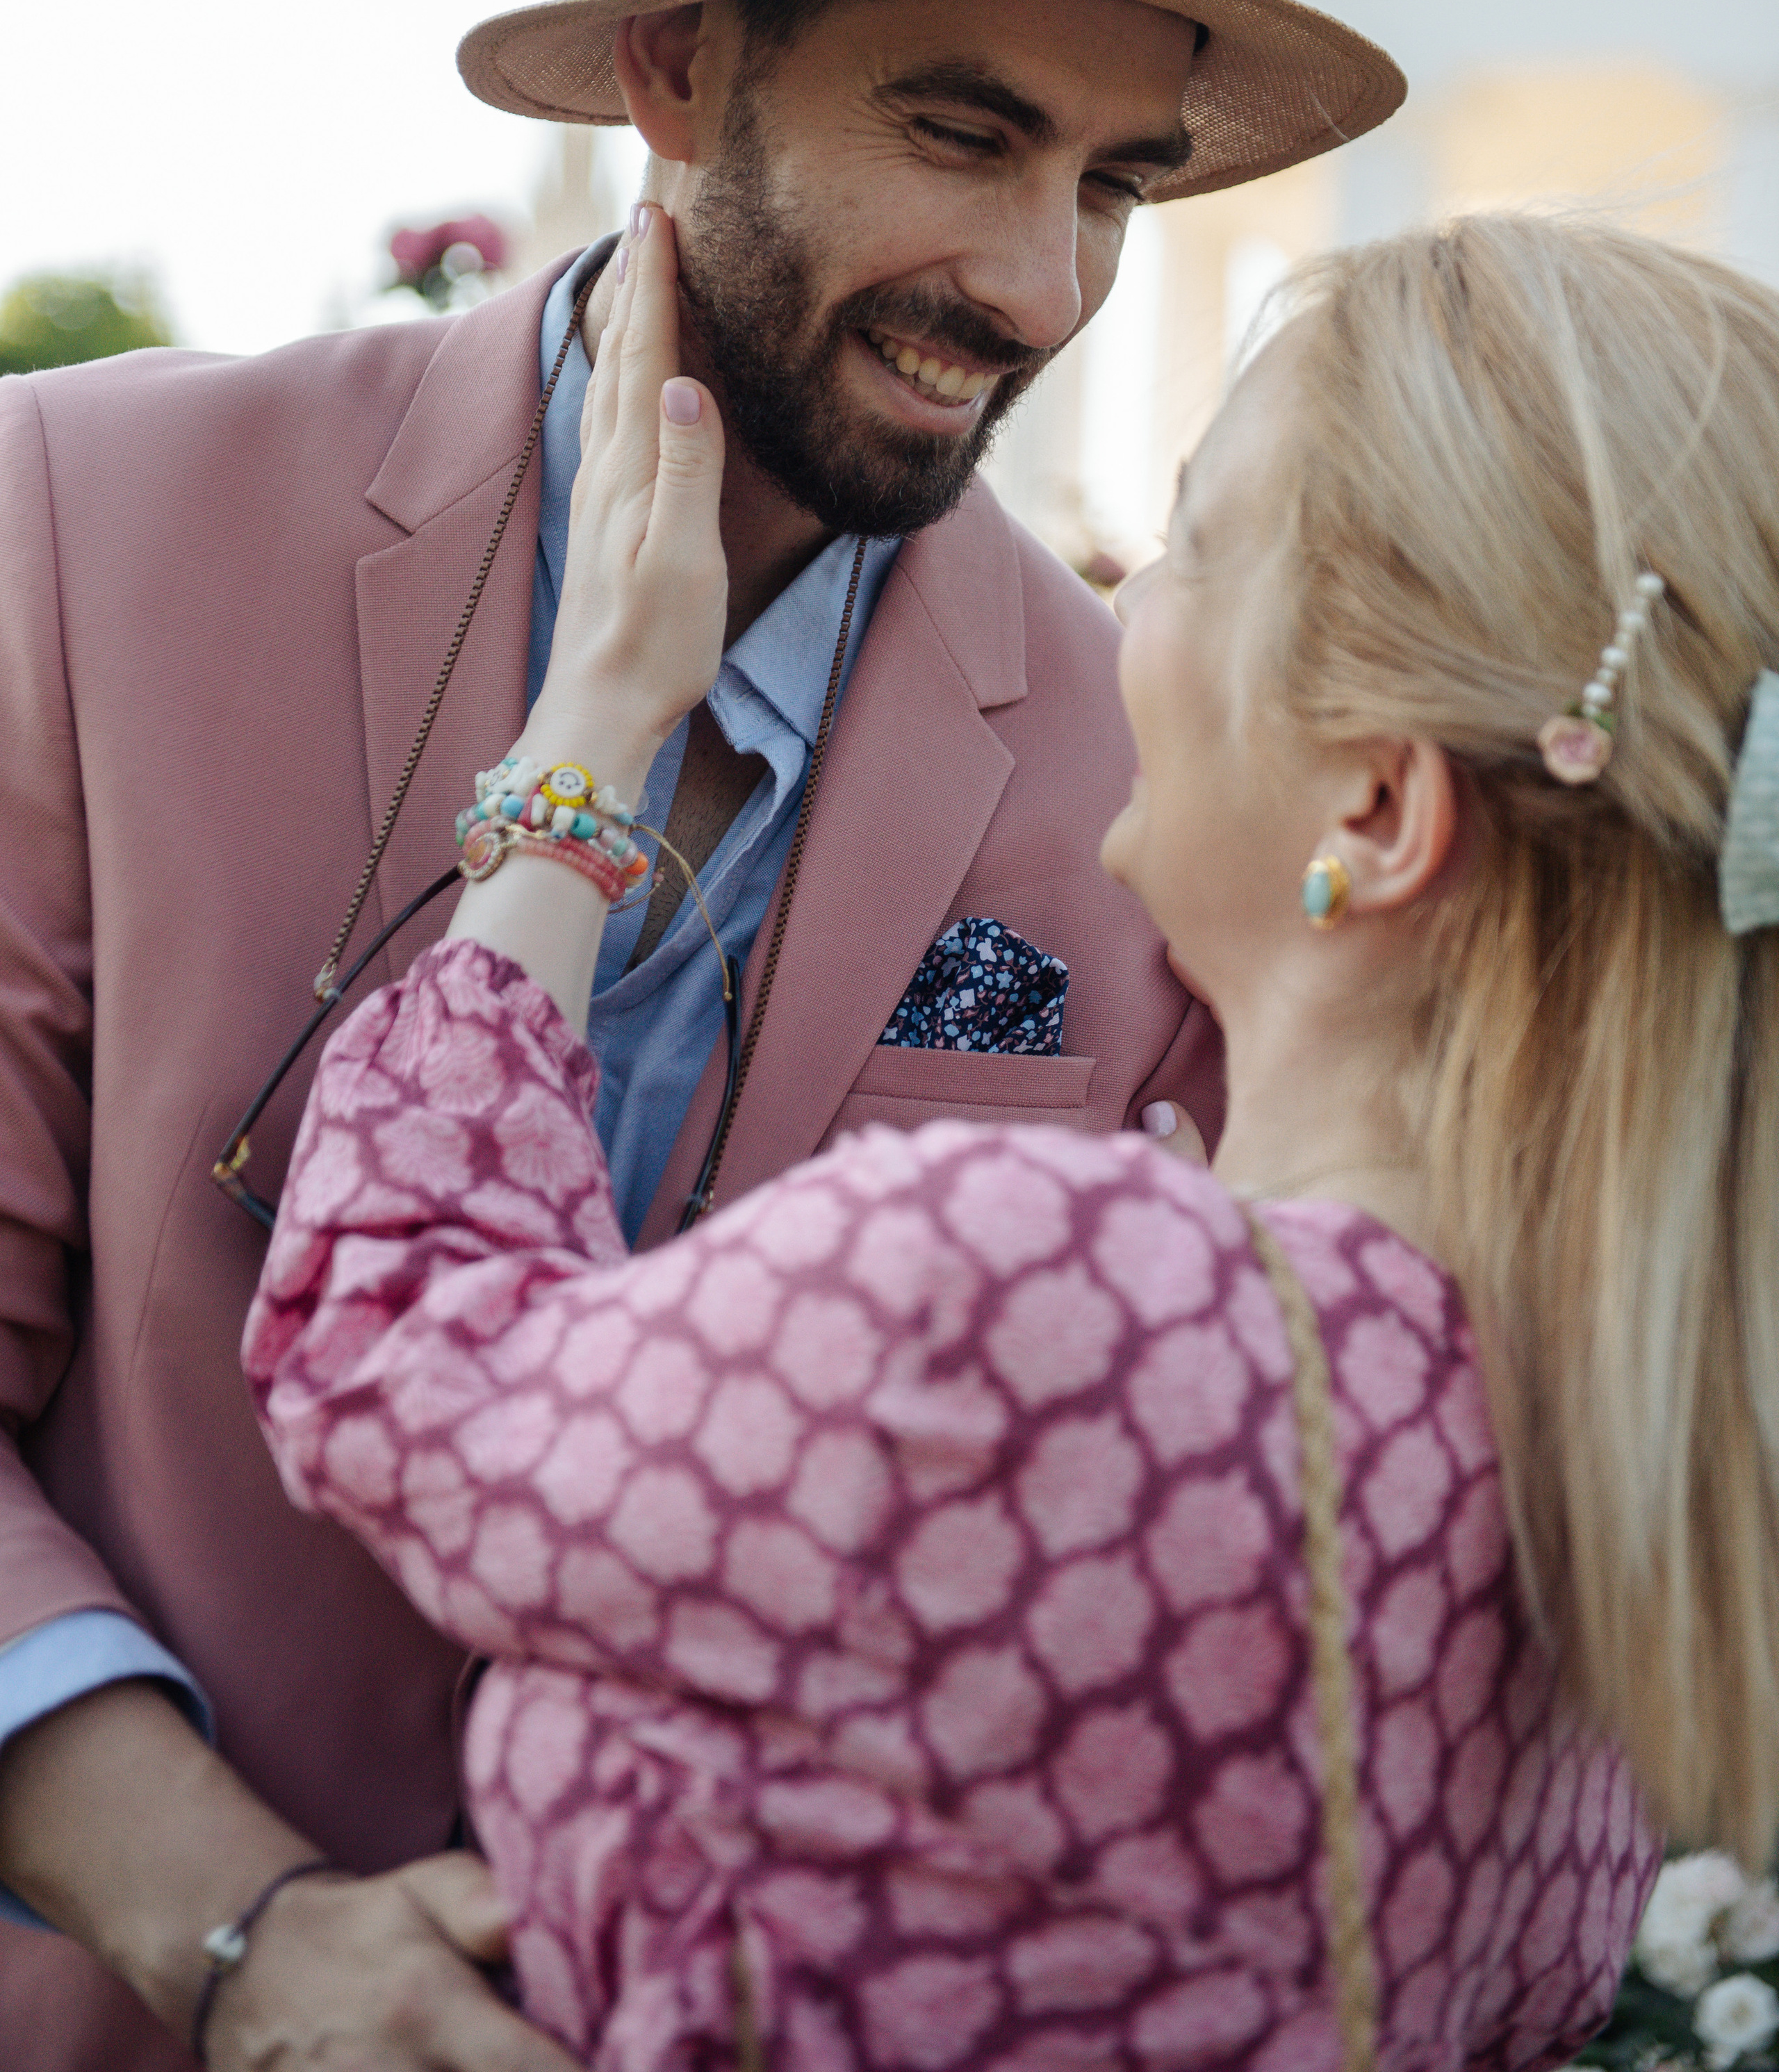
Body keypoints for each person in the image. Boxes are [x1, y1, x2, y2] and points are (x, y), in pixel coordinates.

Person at [0, 0, 1404, 2067]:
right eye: (966, 139)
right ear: (676, 77)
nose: (1044, 287)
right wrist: (236, 1936)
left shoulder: (1148, 764)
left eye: (1110, 188)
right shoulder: (79, 525)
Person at [245, 204, 1779, 2066]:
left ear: (1377, 808)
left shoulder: (1046, 1299)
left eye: (1196, 546)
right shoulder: (1617, 1471)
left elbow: (397, 1345)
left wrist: (595, 726)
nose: (1116, 603)